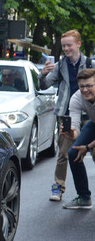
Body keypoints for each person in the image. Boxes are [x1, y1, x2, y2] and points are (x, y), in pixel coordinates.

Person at [40, 29, 91, 202]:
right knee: (64, 153)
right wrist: (43, 74)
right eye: (64, 46)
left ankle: (84, 194)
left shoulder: (90, 63)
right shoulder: (61, 64)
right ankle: (58, 187)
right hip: (67, 113)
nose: (66, 49)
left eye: (69, 45)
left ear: (78, 44)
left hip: (89, 114)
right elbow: (45, 84)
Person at [62, 68, 95, 210]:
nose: (85, 90)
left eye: (89, 86)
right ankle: (84, 197)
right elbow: (75, 127)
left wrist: (88, 147)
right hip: (93, 124)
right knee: (73, 153)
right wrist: (71, 134)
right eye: (82, 86)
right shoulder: (76, 98)